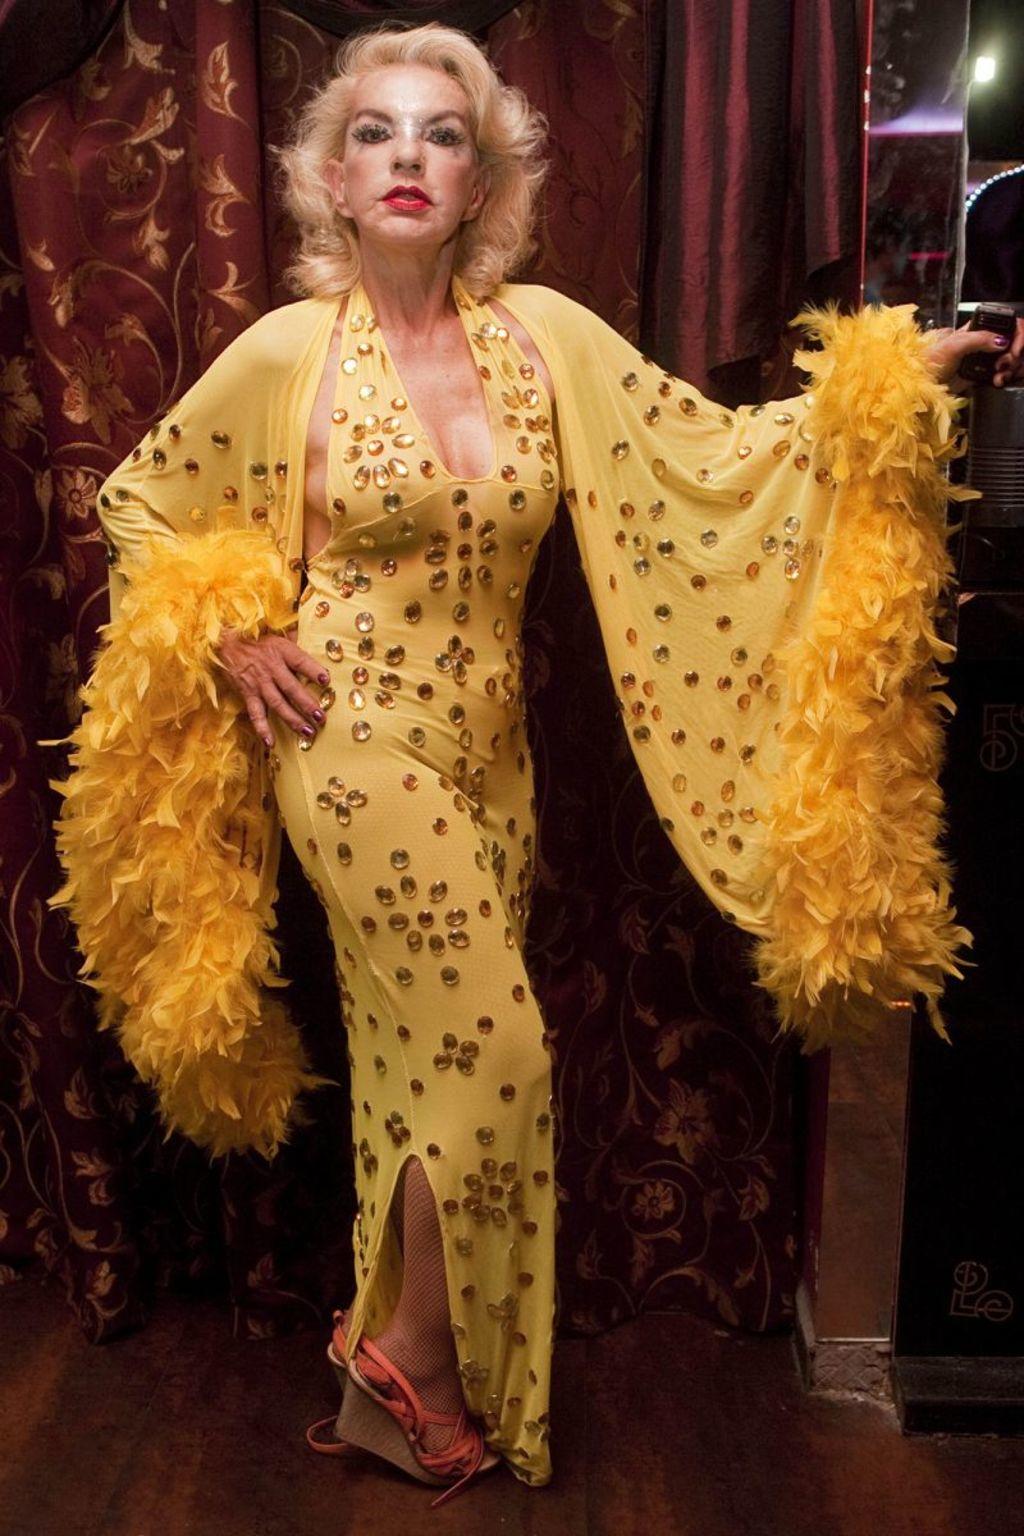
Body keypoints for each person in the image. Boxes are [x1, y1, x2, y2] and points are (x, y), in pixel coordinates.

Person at [48, 19, 1024, 1507]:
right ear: (330, 176)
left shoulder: (544, 338)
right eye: (375, 132)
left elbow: (718, 454)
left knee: (419, 1067)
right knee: (498, 1052)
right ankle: (413, 1368)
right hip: (348, 741)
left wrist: (895, 382)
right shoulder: (288, 353)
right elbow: (138, 504)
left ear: (483, 178)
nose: (407, 157)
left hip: (489, 757)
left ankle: (381, 1371)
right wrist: (233, 633)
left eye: (440, 134)